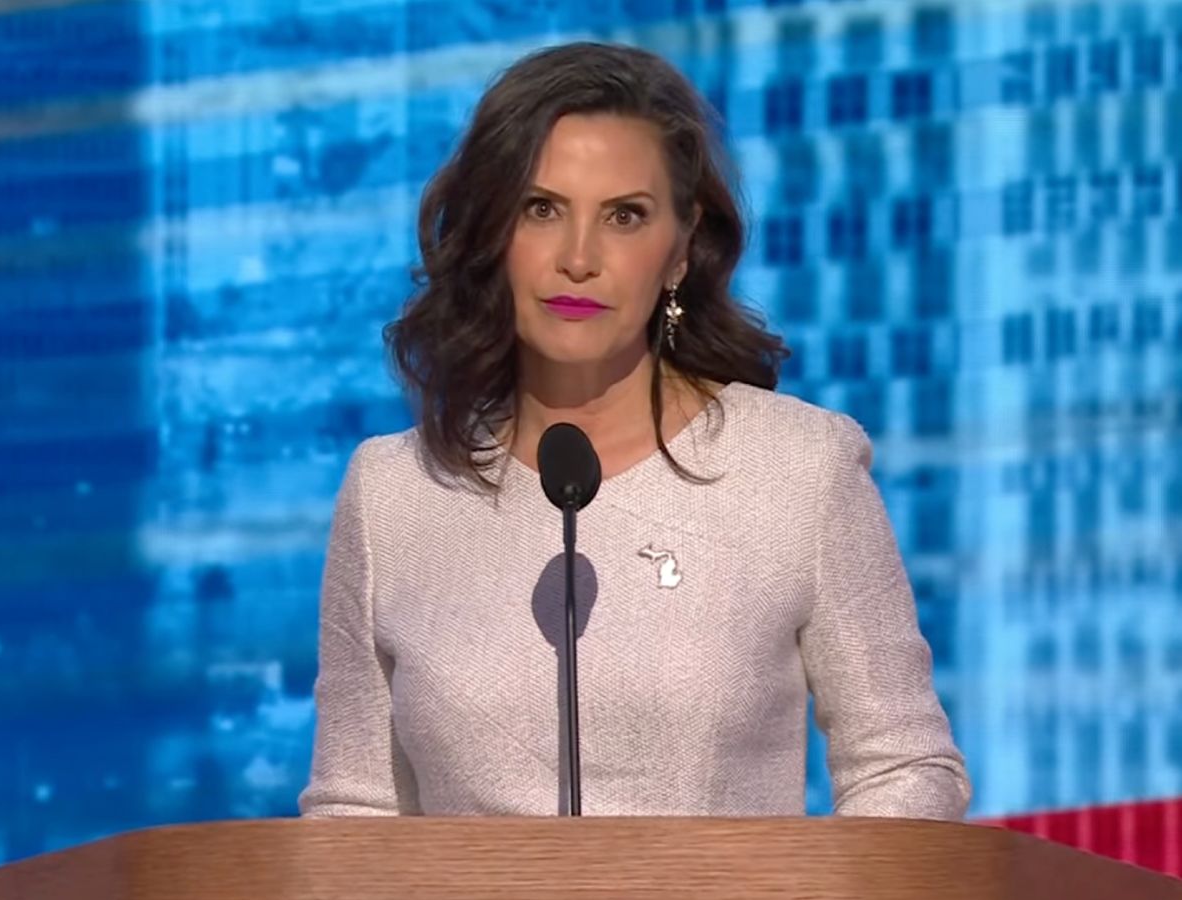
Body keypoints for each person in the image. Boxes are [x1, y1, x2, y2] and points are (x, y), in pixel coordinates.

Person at [297, 41, 970, 819]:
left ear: (680, 252)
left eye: (625, 216)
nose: (578, 258)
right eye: (541, 209)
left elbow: (905, 767)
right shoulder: (393, 495)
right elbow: (353, 810)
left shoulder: (798, 469)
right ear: (493, 234)